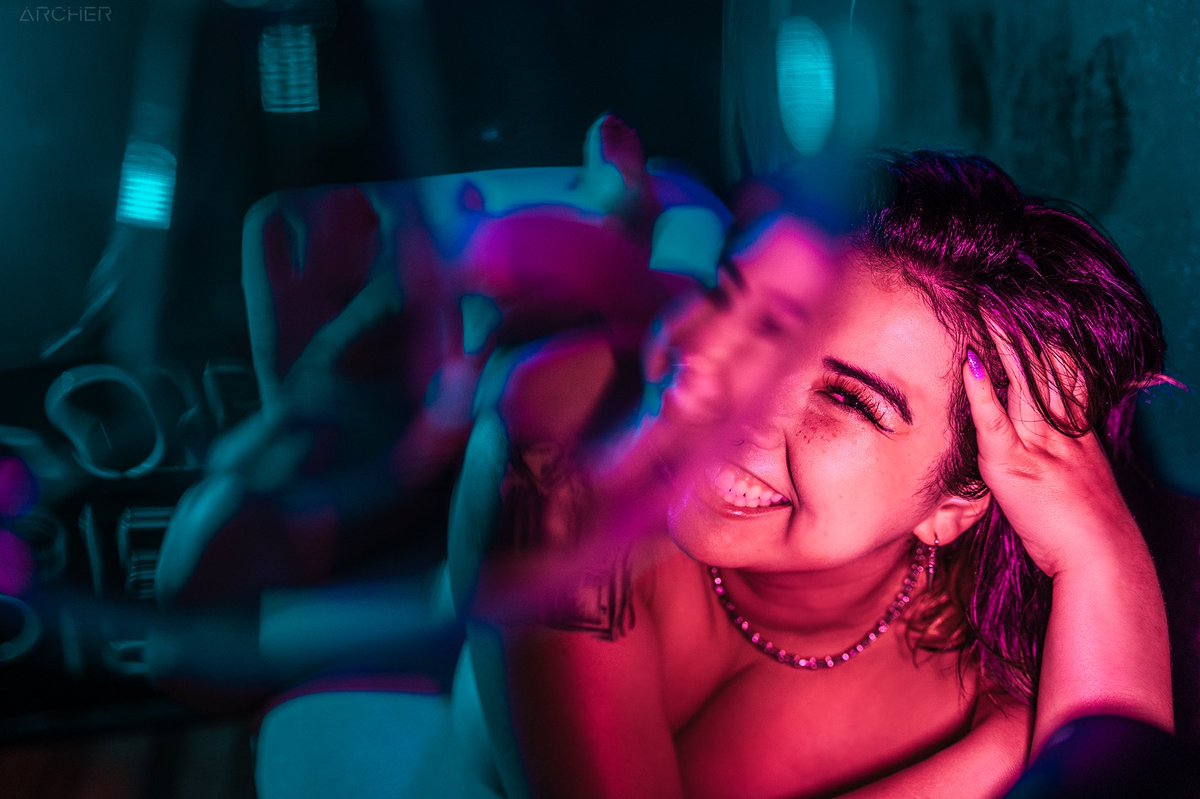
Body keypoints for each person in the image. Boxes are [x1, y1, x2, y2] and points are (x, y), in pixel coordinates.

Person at [457, 151, 1176, 798]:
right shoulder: (568, 452)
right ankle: (646, 225)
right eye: (759, 328)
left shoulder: (983, 718)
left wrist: (1100, 553)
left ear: (955, 505)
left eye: (849, 398)